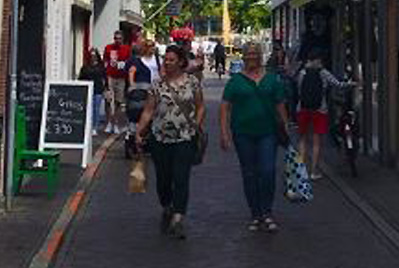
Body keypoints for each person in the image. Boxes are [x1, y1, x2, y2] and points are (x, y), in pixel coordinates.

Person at [133, 43, 204, 239]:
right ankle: (167, 204)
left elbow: (200, 106)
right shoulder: (157, 85)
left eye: (172, 60)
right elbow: (148, 111)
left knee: (181, 178)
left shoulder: (192, 82)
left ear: (181, 62)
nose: (167, 62)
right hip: (160, 138)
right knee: (163, 179)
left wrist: (196, 125)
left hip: (185, 137)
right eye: (165, 59)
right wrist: (139, 131)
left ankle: (178, 217)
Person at [220, 41, 292, 232]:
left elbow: (280, 104)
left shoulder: (272, 79)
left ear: (260, 56)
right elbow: (225, 107)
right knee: (249, 173)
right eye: (248, 54)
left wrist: (285, 127)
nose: (252, 57)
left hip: (268, 132)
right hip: (243, 133)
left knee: (267, 171)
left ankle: (267, 211)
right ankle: (255, 213)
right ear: (243, 57)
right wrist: (224, 132)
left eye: (255, 54)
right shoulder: (235, 81)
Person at [293, 53, 350, 180]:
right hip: (320, 109)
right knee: (316, 141)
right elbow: (338, 84)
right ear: (319, 60)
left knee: (302, 140)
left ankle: (302, 172)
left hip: (302, 108)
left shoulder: (302, 73)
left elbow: (298, 89)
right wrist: (351, 84)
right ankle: (313, 172)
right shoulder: (324, 73)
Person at [100, 31, 131, 135]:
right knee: (108, 100)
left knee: (118, 101)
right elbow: (104, 61)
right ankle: (109, 122)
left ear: (122, 39)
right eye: (116, 38)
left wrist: (124, 64)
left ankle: (116, 123)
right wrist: (104, 73)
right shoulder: (108, 48)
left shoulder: (126, 49)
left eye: (119, 38)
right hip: (110, 76)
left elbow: (129, 62)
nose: (117, 40)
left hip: (121, 77)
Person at [78, 49, 107, 133]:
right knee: (88, 108)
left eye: (94, 55)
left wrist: (106, 88)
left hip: (98, 89)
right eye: (91, 55)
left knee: (96, 109)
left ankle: (95, 127)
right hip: (88, 89)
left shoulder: (101, 66)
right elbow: (81, 78)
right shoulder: (85, 67)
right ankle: (88, 126)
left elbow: (105, 78)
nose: (93, 57)